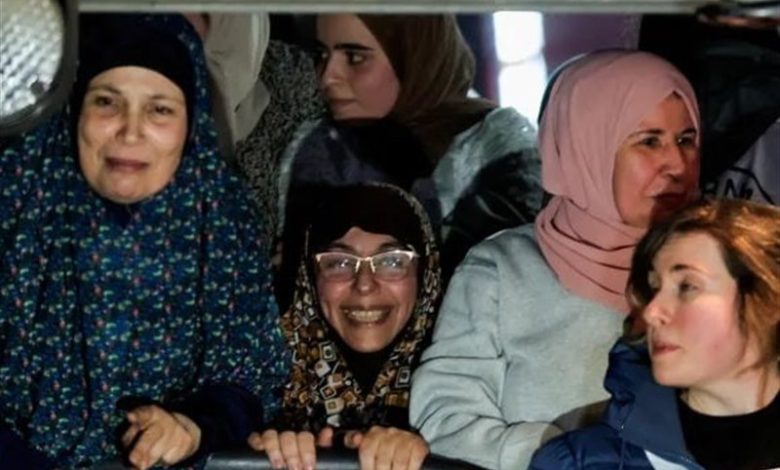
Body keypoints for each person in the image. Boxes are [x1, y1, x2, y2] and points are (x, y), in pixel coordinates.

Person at [0, 14, 288, 469]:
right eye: (107, 102)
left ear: (192, 121)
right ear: (74, 108)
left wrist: (192, 427)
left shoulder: (222, 222)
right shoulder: (16, 205)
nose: (130, 131)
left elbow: (249, 375)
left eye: (159, 109)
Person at [410, 50, 701, 469]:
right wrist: (559, 454)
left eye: (686, 140)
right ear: (585, 147)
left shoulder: (721, 266)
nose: (677, 164)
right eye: (649, 141)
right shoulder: (503, 270)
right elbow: (445, 417)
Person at [278, 14, 542, 281]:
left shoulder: (495, 144)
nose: (327, 77)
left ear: (414, 55)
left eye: (355, 58)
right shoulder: (319, 148)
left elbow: (512, 280)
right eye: (321, 55)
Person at [530, 198, 780, 469]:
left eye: (687, 286)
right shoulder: (579, 463)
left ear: (769, 301)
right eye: (654, 288)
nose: (652, 311)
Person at [250, 184, 441, 470]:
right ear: (310, 276)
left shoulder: (462, 385)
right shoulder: (259, 376)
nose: (364, 284)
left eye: (391, 261)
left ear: (425, 272)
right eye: (339, 262)